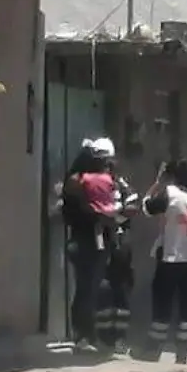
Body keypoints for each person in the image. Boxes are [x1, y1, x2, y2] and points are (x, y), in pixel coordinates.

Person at [142, 159, 187, 363]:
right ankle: (183, 350)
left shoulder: (171, 193)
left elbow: (148, 208)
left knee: (163, 303)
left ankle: (153, 349)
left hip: (172, 259)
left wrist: (157, 183)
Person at [58, 144, 119, 351]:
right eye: (101, 161)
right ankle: (82, 335)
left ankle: (88, 335)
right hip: (84, 241)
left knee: (91, 289)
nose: (104, 165)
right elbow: (82, 210)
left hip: (97, 241)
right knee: (86, 289)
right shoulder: (77, 181)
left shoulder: (96, 180)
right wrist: (102, 215)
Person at [87, 137, 142, 352]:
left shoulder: (120, 184)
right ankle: (103, 338)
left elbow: (133, 207)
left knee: (120, 290)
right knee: (101, 289)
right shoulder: (89, 182)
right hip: (99, 242)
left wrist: (113, 215)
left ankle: (118, 338)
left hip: (118, 244)